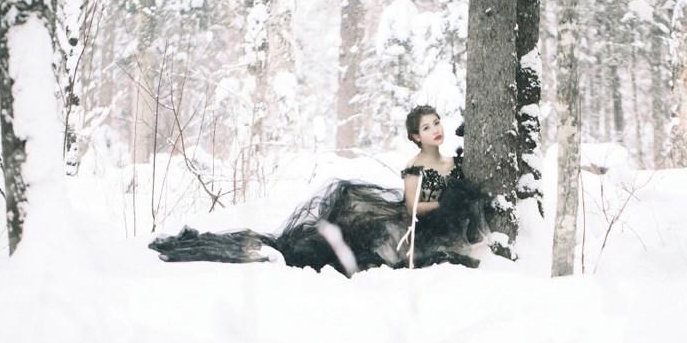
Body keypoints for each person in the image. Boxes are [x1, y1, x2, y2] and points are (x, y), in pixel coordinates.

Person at [149, 105, 487, 275]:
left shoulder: (448, 161)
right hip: (411, 230)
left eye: (437, 123)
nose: (436, 130)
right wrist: (446, 199)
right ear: (416, 137)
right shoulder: (417, 164)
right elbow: (416, 206)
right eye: (427, 127)